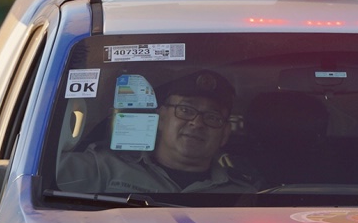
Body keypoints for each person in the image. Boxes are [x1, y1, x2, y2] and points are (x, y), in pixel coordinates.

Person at [57, 70, 257, 194]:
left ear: (225, 134)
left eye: (212, 117)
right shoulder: (101, 168)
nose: (197, 123)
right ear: (161, 118)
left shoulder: (245, 195)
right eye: (185, 110)